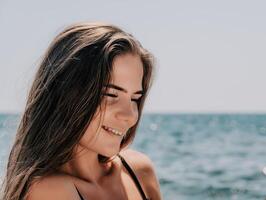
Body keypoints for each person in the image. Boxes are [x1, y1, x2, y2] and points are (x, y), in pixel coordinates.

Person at [1, 22, 162, 200]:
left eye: (135, 99)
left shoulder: (139, 171)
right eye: (110, 94)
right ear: (65, 94)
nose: (129, 115)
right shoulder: (49, 192)